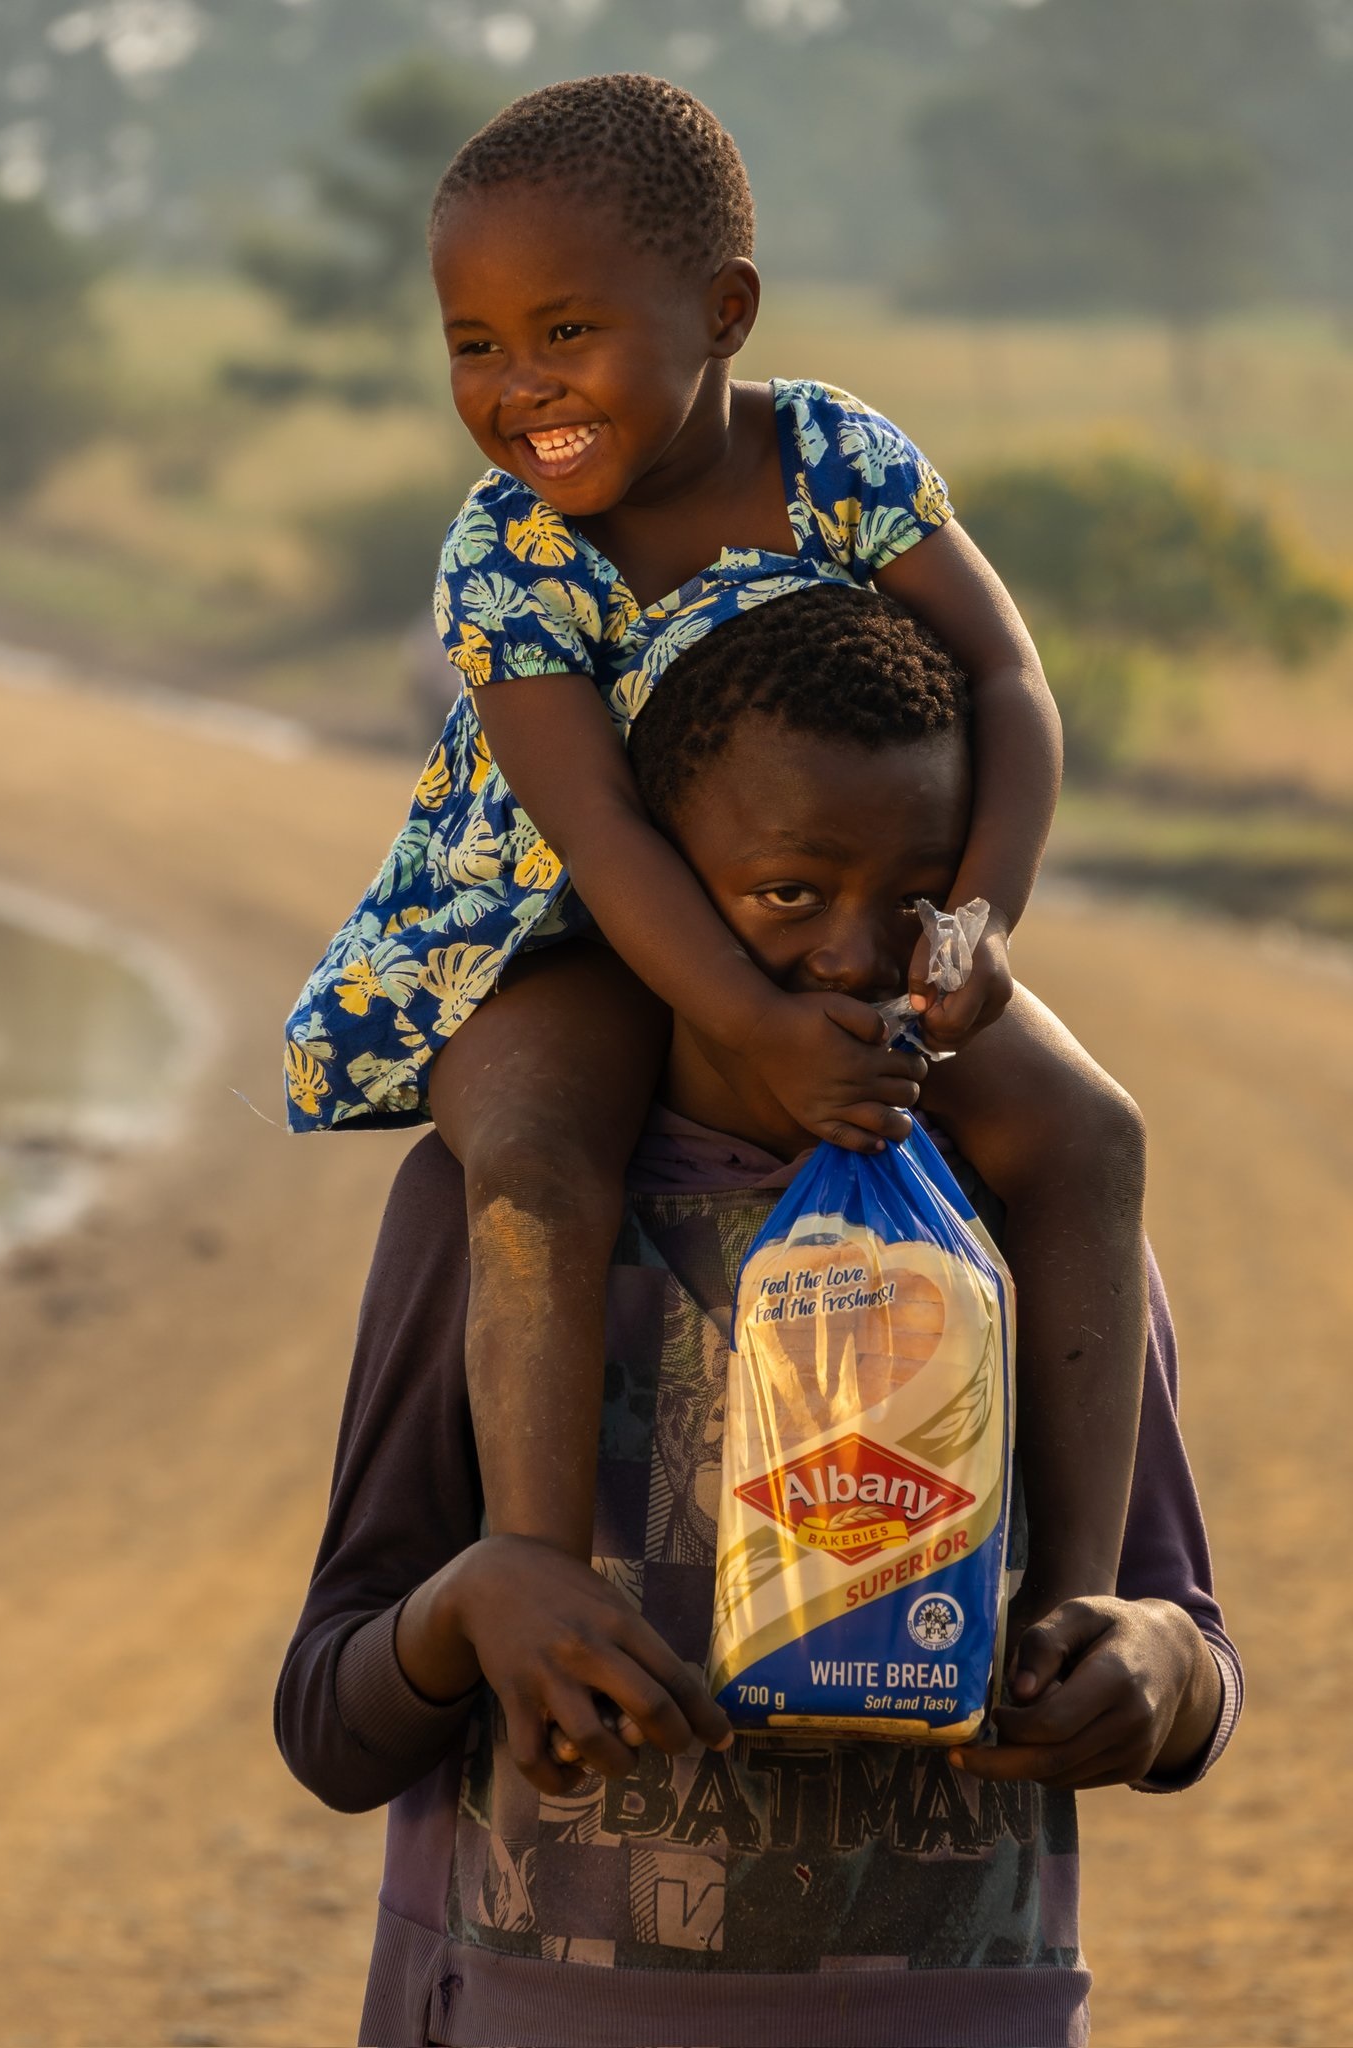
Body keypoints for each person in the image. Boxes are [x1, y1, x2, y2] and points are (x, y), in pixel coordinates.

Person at [277, 589, 1240, 2048]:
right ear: (650, 897)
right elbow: (330, 1723)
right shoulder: (494, 1213)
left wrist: (1155, 1674)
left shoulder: (1021, 1226)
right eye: (787, 892)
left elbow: (1186, 1654)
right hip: (537, 2007)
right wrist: (470, 1607)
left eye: (917, 901)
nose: (859, 958)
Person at [283, 74, 1146, 1687]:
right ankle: (541, 1574)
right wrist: (751, 1023)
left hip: (815, 905)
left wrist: (977, 923)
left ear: (723, 312)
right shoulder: (510, 552)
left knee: (1088, 1132)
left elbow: (1009, 680)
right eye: (475, 344)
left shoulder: (837, 459)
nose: (520, 387)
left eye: (566, 332)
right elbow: (600, 834)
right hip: (559, 928)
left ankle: (1078, 1601)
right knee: (536, 1158)